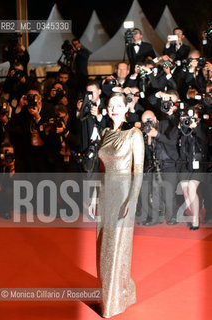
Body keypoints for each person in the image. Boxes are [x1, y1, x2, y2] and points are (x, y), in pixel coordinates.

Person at [89, 92, 144, 317]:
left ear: (126, 108)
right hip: (105, 196)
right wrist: (94, 196)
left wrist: (132, 199)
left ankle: (113, 303)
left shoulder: (134, 134)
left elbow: (138, 171)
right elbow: (101, 169)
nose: (114, 109)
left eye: (118, 105)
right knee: (103, 249)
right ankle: (114, 292)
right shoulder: (105, 132)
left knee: (116, 248)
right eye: (111, 105)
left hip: (122, 196)